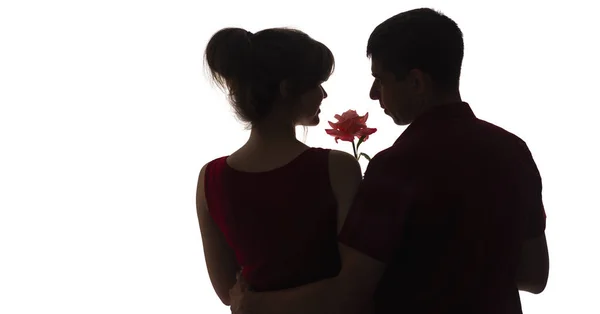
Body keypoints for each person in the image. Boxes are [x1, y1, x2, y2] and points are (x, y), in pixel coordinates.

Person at [229, 8, 549, 314]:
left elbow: (350, 294)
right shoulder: (514, 151)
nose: (372, 93)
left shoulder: (398, 167)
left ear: (416, 82)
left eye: (380, 80)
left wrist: (254, 306)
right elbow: (535, 274)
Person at [196, 27, 364, 308]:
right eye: (317, 83)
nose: (323, 94)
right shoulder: (336, 168)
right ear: (287, 88)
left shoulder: (210, 178)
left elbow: (229, 292)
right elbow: (354, 286)